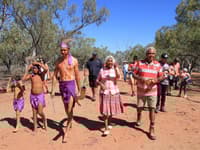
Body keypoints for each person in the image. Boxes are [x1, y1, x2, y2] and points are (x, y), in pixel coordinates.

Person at [51, 40, 81, 143]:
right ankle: (70, 120)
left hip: (71, 85)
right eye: (61, 50)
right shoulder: (58, 61)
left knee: (69, 109)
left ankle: (65, 133)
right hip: (62, 85)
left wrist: (79, 89)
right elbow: (55, 75)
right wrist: (52, 90)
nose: (63, 52)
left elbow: (77, 75)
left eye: (64, 50)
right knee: (67, 108)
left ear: (68, 50)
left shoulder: (74, 61)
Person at [133, 47, 163, 140]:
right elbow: (133, 74)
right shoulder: (139, 63)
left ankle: (152, 128)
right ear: (146, 54)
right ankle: (139, 117)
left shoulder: (158, 65)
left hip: (152, 91)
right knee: (139, 108)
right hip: (141, 91)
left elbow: (162, 76)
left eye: (153, 53)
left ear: (155, 54)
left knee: (152, 109)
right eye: (149, 53)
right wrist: (141, 78)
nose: (151, 55)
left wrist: (156, 80)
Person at [96, 55, 123, 136]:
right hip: (104, 92)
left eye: (111, 61)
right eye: (109, 61)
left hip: (113, 91)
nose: (110, 62)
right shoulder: (102, 70)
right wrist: (101, 84)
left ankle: (110, 123)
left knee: (110, 110)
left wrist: (116, 68)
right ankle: (106, 128)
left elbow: (119, 77)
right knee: (105, 111)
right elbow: (97, 80)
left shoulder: (115, 70)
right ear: (106, 62)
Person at [22, 61, 48, 132]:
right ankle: (35, 128)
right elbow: (23, 79)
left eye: (36, 68)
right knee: (34, 113)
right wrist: (27, 69)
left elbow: (46, 69)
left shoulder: (41, 75)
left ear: (38, 69)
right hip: (33, 96)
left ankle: (44, 121)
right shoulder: (31, 76)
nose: (34, 69)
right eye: (33, 68)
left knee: (40, 112)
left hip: (40, 96)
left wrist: (39, 63)